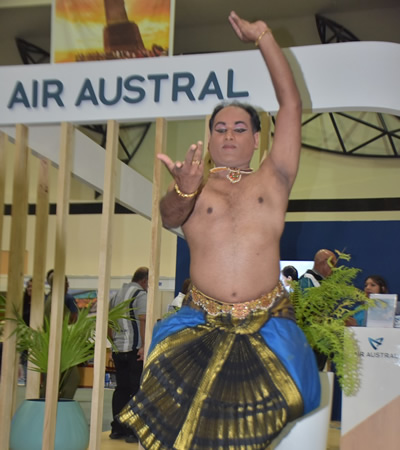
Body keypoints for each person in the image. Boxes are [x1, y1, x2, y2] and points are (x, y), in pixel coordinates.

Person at [118, 11, 320, 449]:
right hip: (198, 327)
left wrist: (264, 37)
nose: (229, 135)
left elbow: (291, 105)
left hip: (268, 327)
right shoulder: (192, 183)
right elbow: (169, 215)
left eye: (239, 128)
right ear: (210, 139)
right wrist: (183, 190)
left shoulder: (275, 178)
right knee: (189, 436)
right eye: (220, 128)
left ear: (256, 138)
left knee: (266, 424)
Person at [109, 267, 149, 443]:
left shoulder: (117, 295)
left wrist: (112, 346)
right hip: (134, 350)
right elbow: (144, 320)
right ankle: (133, 431)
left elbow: (110, 323)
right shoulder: (140, 295)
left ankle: (117, 429)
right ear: (144, 280)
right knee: (135, 390)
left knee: (121, 389)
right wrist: (144, 346)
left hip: (118, 349)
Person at [42, 272, 80, 398]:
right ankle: (61, 405)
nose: (68, 285)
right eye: (66, 282)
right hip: (61, 346)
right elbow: (71, 319)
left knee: (52, 381)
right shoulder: (62, 299)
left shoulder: (48, 299)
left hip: (50, 346)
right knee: (72, 379)